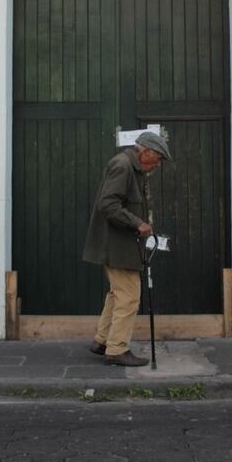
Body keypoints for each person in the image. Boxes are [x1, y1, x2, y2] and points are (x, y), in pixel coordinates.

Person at [82, 130, 172, 366]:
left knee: (117, 294)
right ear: (147, 151)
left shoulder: (132, 168)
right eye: (159, 158)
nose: (159, 164)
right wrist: (137, 223)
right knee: (130, 296)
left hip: (119, 244)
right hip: (117, 246)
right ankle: (117, 349)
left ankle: (102, 341)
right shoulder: (123, 166)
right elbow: (108, 204)